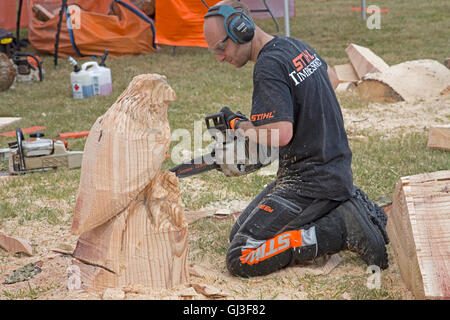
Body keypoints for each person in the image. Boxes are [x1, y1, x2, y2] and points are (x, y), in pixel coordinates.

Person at [203, 0, 389, 277]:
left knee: (242, 254)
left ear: (241, 30)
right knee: (239, 232)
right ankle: (346, 205)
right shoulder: (293, 46)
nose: (220, 57)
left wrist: (243, 127)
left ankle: (340, 228)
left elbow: (280, 134)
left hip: (311, 183)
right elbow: (332, 78)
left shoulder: (268, 65)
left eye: (222, 47)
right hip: (324, 172)